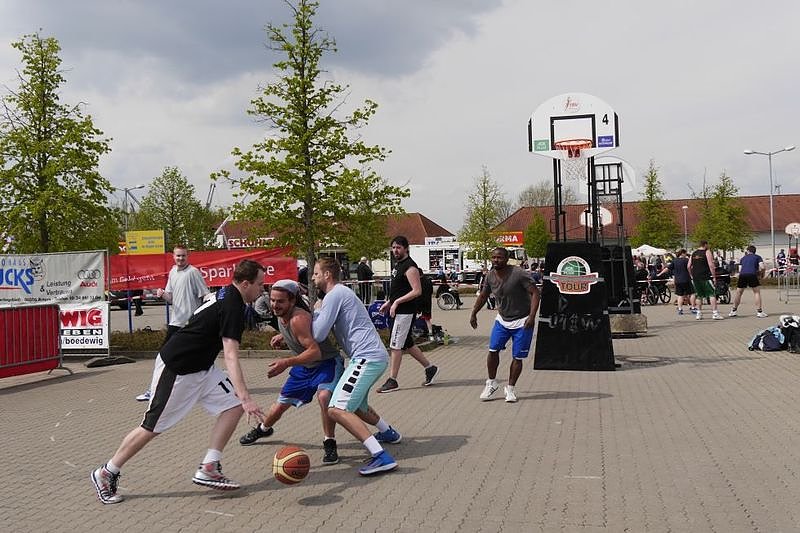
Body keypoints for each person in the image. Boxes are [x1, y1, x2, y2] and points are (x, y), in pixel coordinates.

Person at [90, 260, 267, 504]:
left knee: (233, 405)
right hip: (178, 367)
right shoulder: (232, 305)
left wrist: (242, 399)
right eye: (260, 284)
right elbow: (230, 354)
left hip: (202, 368)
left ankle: (209, 467)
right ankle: (106, 471)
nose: (262, 289)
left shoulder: (228, 293)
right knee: (152, 427)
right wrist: (248, 398)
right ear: (245, 283)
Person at [237, 280, 344, 465]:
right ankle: (264, 428)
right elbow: (302, 336)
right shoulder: (282, 315)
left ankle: (330, 441)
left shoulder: (298, 318)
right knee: (279, 405)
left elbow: (315, 351)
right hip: (304, 368)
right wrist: (282, 336)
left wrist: (286, 362)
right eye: (272, 300)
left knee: (324, 397)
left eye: (280, 301)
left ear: (292, 301)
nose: (275, 305)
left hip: (326, 363)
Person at [311, 257, 400, 476]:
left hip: (366, 358)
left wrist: (315, 313)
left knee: (337, 408)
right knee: (358, 407)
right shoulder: (338, 294)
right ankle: (388, 433)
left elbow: (318, 333)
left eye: (315, 273)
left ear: (327, 275)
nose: (313, 278)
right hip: (370, 357)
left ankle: (381, 456)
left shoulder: (334, 295)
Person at [136, 245, 210, 402]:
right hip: (176, 322)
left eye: (183, 256)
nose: (181, 259)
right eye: (178, 256)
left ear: (187, 256)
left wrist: (202, 318)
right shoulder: (172, 272)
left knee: (194, 357)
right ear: (173, 257)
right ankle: (154, 389)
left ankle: (202, 387)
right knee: (163, 356)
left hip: (191, 323)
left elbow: (206, 296)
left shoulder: (193, 273)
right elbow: (172, 298)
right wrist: (163, 295)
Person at [469, 247, 540, 403]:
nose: (496, 260)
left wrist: (532, 316)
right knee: (493, 350)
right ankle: (491, 383)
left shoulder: (519, 274)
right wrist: (474, 313)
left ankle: (510, 388)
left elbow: (535, 293)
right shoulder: (490, 276)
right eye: (494, 257)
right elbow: (483, 295)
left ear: (507, 259)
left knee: (517, 356)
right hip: (502, 320)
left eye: (500, 257)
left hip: (522, 321)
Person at [376, 236, 439, 393]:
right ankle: (430, 368)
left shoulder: (410, 267)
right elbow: (399, 289)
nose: (395, 250)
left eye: (398, 247)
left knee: (395, 345)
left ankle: (392, 380)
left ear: (406, 248)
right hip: (398, 310)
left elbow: (416, 291)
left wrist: (397, 302)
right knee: (407, 344)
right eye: (393, 247)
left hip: (405, 312)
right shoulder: (398, 266)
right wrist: (390, 302)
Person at [729, 245, 767, 318]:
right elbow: (762, 267)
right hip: (752, 274)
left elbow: (740, 270)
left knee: (739, 293)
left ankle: (733, 311)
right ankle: (759, 312)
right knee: (756, 292)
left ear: (748, 251)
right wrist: (761, 274)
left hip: (743, 275)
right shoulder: (758, 257)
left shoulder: (743, 258)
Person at [688, 240, 723, 320]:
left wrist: (691, 275)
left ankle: (699, 313)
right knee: (711, 294)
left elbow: (688, 266)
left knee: (699, 295)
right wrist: (714, 276)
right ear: (705, 244)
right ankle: (715, 313)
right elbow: (711, 265)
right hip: (706, 276)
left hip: (696, 277)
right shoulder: (707, 252)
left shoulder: (693, 253)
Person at [672, 249, 696, 315]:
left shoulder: (674, 260)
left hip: (678, 280)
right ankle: (693, 307)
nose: (686, 255)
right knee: (692, 293)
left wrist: (659, 274)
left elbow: (668, 268)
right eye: (685, 253)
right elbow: (690, 267)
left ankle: (680, 309)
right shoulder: (686, 260)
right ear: (682, 253)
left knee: (680, 295)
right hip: (686, 279)